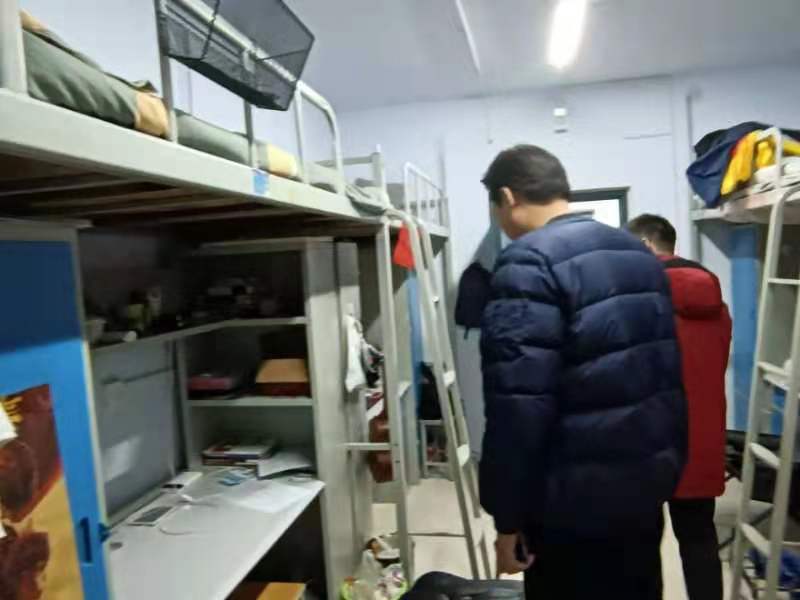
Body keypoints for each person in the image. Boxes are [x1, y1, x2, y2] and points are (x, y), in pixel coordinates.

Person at [478, 145, 687, 600]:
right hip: (642, 487)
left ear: (508, 197)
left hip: (571, 505)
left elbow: (517, 407)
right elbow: (665, 371)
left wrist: (507, 518)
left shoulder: (527, 261)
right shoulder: (637, 252)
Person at [628, 214, 731, 600]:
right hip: (701, 439)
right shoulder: (716, 304)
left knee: (641, 545)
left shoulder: (636, 301)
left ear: (644, 246)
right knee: (699, 539)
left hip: (647, 442)